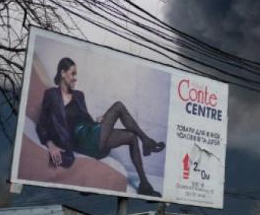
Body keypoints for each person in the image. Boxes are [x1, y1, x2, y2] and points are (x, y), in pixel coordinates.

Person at [37, 57, 166, 197]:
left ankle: (145, 185)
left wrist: (97, 122)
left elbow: (85, 119)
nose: (75, 78)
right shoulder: (51, 95)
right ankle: (147, 141)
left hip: (90, 134)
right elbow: (41, 125)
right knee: (118, 106)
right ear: (62, 73)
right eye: (73, 74)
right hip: (79, 140)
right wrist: (50, 144)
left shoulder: (79, 96)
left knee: (131, 137)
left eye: (76, 75)